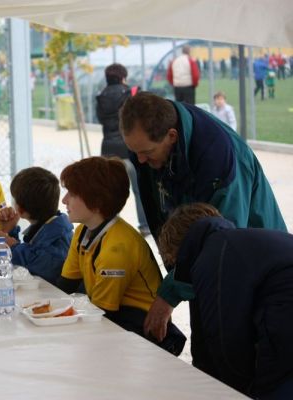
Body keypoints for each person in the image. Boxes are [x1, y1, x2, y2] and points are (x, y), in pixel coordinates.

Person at [118, 92, 286, 373]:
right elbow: (161, 211)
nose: (140, 161)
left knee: (239, 360)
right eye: (134, 153)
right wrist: (176, 267)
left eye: (146, 153)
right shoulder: (151, 145)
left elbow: (224, 246)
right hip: (203, 260)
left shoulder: (219, 158)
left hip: (254, 270)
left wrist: (169, 292)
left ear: (171, 136)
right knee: (206, 354)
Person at [157, 203, 293, 399]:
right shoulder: (235, 242)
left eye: (172, 262)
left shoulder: (212, 257)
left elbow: (224, 339)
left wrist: (238, 390)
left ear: (178, 249)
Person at [56, 157, 185, 356]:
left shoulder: (117, 248)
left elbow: (101, 315)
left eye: (72, 194)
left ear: (96, 202)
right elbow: (64, 287)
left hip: (139, 327)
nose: (64, 200)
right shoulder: (83, 231)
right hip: (112, 316)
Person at [95, 63, 149, 235]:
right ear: (123, 77)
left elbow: (101, 120)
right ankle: (145, 225)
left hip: (108, 149)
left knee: (110, 190)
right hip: (130, 149)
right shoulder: (131, 93)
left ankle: (109, 224)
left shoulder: (100, 97)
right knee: (140, 189)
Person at [0, 167, 73, 285]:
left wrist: (13, 247)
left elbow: (40, 266)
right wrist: (10, 231)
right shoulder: (49, 227)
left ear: (20, 210)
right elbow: (32, 254)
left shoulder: (58, 236)